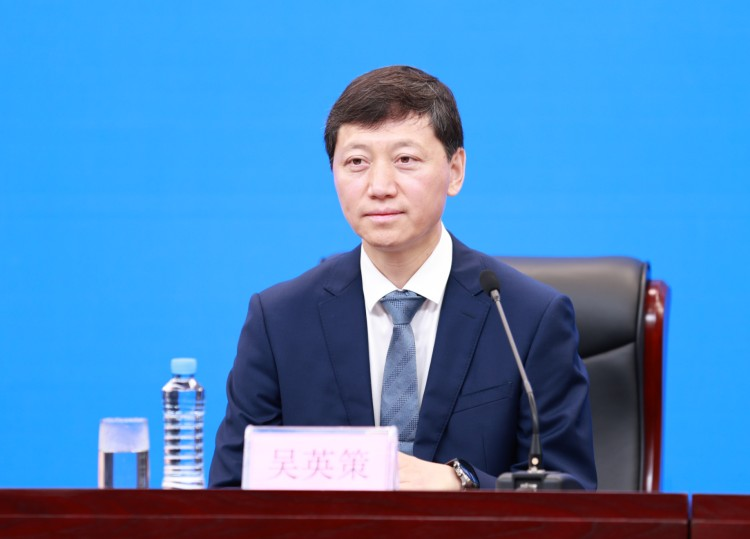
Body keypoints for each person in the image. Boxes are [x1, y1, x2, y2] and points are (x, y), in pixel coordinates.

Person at [209, 65, 597, 490]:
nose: (379, 186)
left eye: (405, 160)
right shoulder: (280, 320)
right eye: (356, 162)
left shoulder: (528, 317)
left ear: (455, 170)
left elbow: (569, 497)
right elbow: (230, 494)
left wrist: (462, 483)